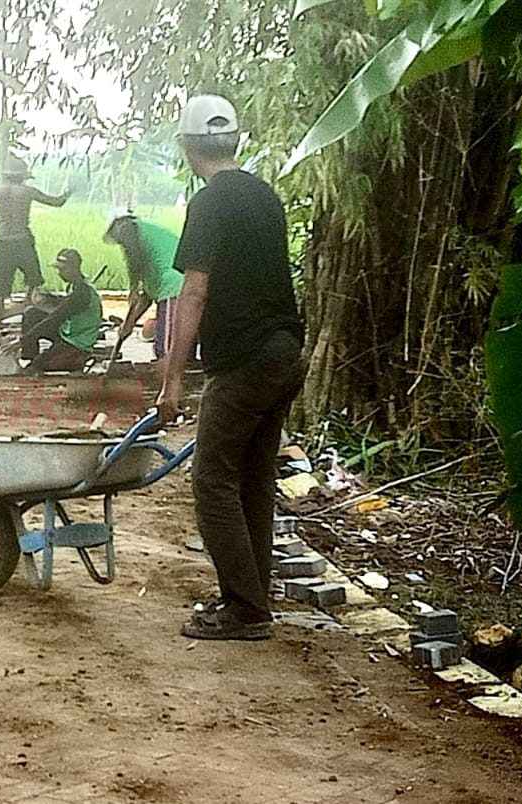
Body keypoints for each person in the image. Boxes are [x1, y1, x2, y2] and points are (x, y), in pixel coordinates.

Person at [156, 95, 306, 641]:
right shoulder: (265, 196)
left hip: (244, 361)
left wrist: (172, 379)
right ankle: (250, 598)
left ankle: (245, 609)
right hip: (285, 352)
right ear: (235, 141)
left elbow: (193, 292)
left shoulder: (210, 203)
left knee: (212, 479)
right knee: (254, 478)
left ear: (189, 147)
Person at [0, 156, 71, 323]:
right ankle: (28, 310)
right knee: (33, 279)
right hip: (23, 239)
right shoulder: (28, 191)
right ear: (22, 176)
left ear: (6, 175)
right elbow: (56, 202)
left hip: (3, 240)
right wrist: (68, 193)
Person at [103, 211, 183, 361]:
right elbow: (146, 297)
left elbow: (134, 263)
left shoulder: (130, 230)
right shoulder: (147, 248)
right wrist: (129, 324)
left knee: (166, 350)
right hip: (176, 286)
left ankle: (169, 381)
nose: (123, 248)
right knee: (177, 347)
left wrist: (133, 288)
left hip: (174, 287)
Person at [18, 248, 102, 373]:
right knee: (31, 313)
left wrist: (26, 338)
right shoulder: (74, 286)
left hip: (77, 342)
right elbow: (64, 302)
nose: (59, 273)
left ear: (74, 268)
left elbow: (56, 318)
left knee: (38, 366)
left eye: (63, 270)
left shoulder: (82, 292)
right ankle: (29, 356)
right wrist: (49, 297)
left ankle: (74, 360)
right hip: (68, 332)